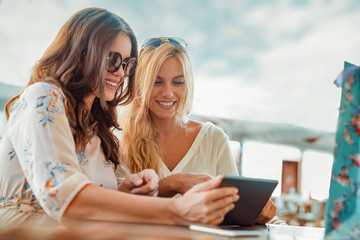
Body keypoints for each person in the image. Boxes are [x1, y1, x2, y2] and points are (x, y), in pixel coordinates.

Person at [0, 8, 239, 227]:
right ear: (81, 53)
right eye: (113, 60)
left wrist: (127, 191)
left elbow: (95, 207)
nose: (122, 73)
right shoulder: (44, 96)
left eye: (127, 63)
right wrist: (177, 208)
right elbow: (63, 196)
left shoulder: (95, 128)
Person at [120, 37, 277, 223]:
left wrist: (257, 212)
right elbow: (117, 205)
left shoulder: (213, 140)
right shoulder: (121, 139)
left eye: (178, 82)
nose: (168, 93)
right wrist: (173, 183)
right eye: (157, 82)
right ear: (140, 84)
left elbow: (235, 209)